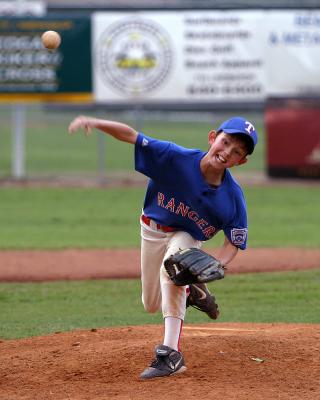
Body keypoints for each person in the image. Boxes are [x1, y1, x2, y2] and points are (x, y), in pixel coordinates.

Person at [68, 114, 258, 380]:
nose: (227, 152)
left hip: (187, 237)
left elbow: (233, 243)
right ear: (212, 137)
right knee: (151, 303)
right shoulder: (175, 158)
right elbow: (130, 135)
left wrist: (218, 264)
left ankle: (170, 355)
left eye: (237, 151)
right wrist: (96, 122)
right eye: (225, 142)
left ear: (241, 161)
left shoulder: (233, 198)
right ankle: (194, 290)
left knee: (172, 269)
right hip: (151, 229)